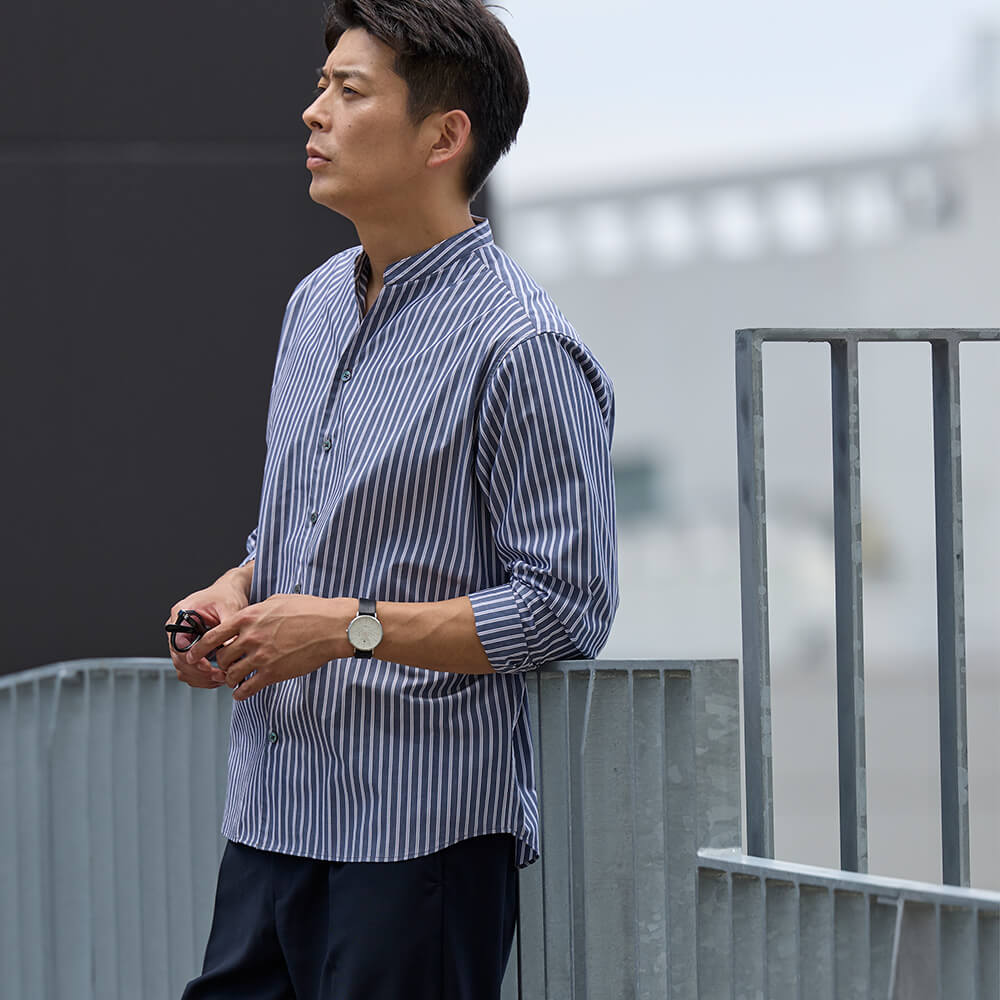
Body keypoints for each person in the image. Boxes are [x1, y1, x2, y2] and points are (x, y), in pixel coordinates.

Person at [169, 1, 618, 997]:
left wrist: (344, 628)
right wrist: (237, 592)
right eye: (321, 85)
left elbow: (566, 605)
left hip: (419, 840)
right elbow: (304, 527)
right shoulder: (315, 302)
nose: (313, 111)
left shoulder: (522, 347)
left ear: (443, 136)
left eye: (350, 90)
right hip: (274, 810)